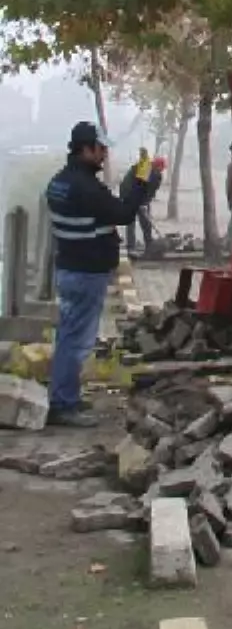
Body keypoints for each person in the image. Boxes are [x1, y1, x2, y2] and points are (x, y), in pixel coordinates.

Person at [45, 122, 144, 428]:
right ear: (86, 149)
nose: (104, 155)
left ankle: (65, 395)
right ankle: (63, 405)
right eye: (100, 149)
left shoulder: (59, 182)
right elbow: (123, 213)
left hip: (70, 268)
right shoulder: (86, 187)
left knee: (68, 336)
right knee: (77, 342)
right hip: (87, 273)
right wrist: (142, 181)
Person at [121, 150, 166, 259]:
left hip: (141, 197)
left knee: (146, 222)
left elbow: (151, 192)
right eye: (158, 168)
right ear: (154, 165)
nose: (160, 170)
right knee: (130, 222)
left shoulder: (158, 177)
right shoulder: (143, 168)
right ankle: (131, 248)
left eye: (161, 169)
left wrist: (145, 203)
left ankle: (150, 246)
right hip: (128, 193)